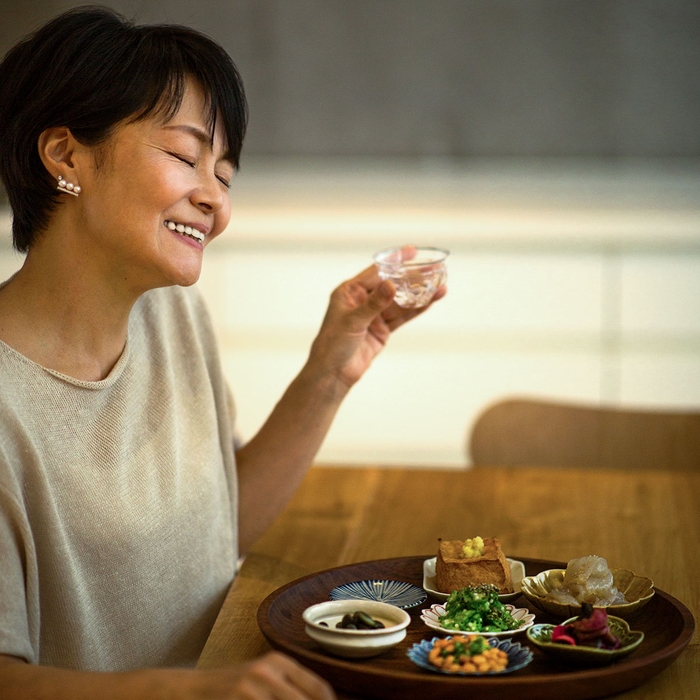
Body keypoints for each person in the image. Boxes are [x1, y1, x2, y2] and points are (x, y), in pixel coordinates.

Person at [0, 6, 445, 700]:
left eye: (226, 174)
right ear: (65, 156)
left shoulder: (172, 314)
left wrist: (332, 369)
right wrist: (188, 693)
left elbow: (219, 528)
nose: (214, 199)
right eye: (183, 156)